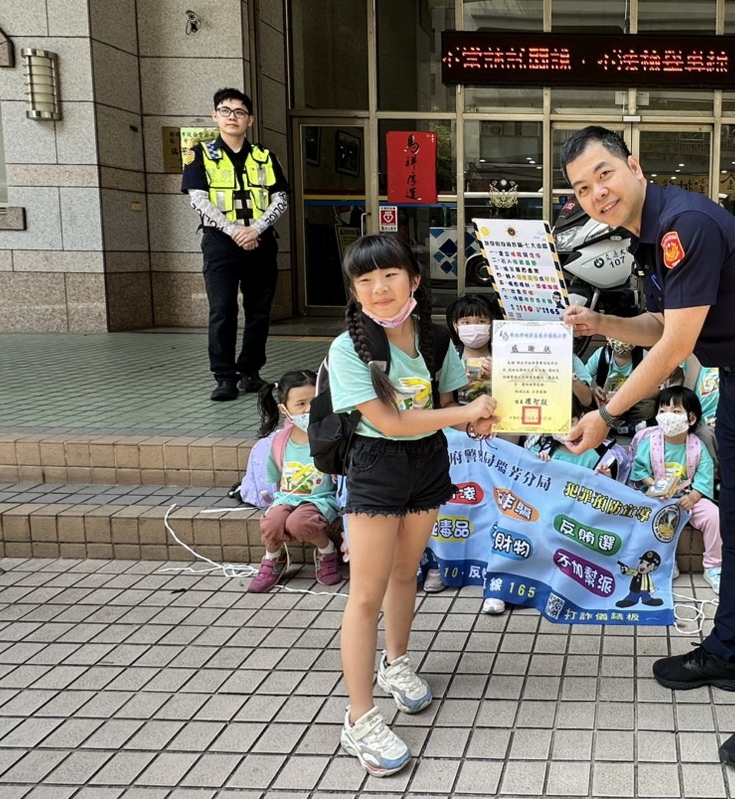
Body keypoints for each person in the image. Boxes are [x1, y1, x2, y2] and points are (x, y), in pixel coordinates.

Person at [560, 125, 735, 772]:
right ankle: (732, 652)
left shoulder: (685, 224)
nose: (597, 193)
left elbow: (676, 347)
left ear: (633, 165)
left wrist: (606, 413)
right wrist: (601, 322)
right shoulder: (648, 237)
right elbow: (664, 323)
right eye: (581, 188)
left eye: (604, 174)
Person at [327, 233, 497, 777]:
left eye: (390, 275)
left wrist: (481, 418)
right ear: (355, 290)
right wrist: (462, 416)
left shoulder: (434, 337)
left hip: (428, 462)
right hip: (376, 467)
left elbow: (447, 406)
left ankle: (396, 663)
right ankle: (359, 719)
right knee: (365, 595)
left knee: (406, 573)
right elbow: (391, 422)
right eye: (365, 280)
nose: (379, 288)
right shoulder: (348, 348)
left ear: (414, 280)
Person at [181, 88, 289, 402]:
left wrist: (255, 229)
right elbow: (197, 199)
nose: (232, 117)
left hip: (261, 241)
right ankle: (224, 377)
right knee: (223, 310)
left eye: (240, 112)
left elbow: (280, 198)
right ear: (215, 116)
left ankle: (250, 372)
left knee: (259, 311)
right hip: (220, 243)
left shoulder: (265, 156)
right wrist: (233, 231)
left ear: (250, 120)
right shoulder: (200, 154)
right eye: (226, 111)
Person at [246, 370, 341, 593]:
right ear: (284, 409)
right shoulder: (280, 440)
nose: (308, 409)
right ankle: (273, 557)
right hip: (287, 497)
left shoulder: (332, 436)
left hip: (321, 499)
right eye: (300, 404)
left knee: (300, 522)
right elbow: (275, 478)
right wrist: (279, 504)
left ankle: (327, 551)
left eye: (314, 402)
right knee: (272, 521)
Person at [631, 386, 722, 593]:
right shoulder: (650, 442)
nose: (667, 416)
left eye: (676, 411)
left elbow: (704, 476)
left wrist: (694, 497)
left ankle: (713, 566)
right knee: (649, 517)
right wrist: (653, 485)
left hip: (688, 498)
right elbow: (639, 469)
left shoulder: (697, 446)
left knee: (714, 516)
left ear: (691, 418)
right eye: (662, 411)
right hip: (659, 498)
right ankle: (666, 563)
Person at [446, 295, 498, 404]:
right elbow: (444, 400)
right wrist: (457, 382)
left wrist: (498, 375)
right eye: (466, 322)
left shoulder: (502, 357)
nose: (473, 327)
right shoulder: (449, 357)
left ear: (492, 324)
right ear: (455, 326)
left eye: (481, 322)